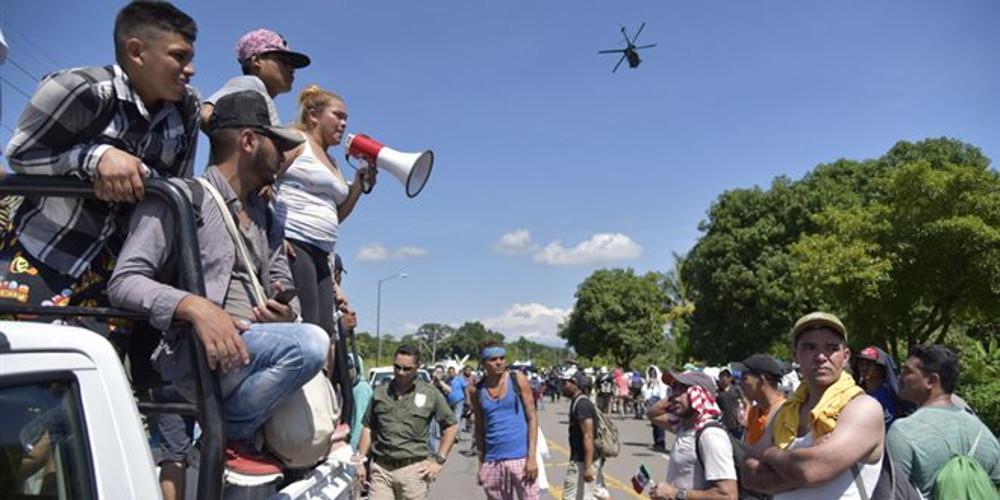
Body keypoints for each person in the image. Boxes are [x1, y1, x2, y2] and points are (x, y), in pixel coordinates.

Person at [108, 90, 329, 479]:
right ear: (248, 141)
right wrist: (195, 307)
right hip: (197, 355)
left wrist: (285, 307)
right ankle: (230, 432)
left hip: (256, 349)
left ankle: (228, 434)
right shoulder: (182, 198)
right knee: (314, 343)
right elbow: (124, 282)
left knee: (311, 343)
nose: (282, 157)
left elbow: (281, 280)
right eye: (276, 145)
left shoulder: (268, 215)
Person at [0, 1, 199, 330]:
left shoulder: (186, 109)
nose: (189, 69)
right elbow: (21, 155)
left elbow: (178, 184)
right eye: (179, 56)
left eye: (190, 58)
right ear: (136, 51)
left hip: (119, 273)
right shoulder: (78, 89)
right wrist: (95, 158)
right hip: (43, 255)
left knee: (102, 372)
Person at [741, 312, 885, 499]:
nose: (820, 357)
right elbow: (749, 475)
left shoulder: (862, 407)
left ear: (845, 356)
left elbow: (813, 469)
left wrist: (771, 454)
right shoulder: (785, 412)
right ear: (795, 355)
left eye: (831, 348)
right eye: (810, 347)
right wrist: (803, 467)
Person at [274, 85, 374, 341]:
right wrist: (273, 233)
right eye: (338, 116)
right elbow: (265, 180)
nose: (343, 123)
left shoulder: (333, 162)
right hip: (296, 242)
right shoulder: (295, 141)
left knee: (324, 330)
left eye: (346, 118)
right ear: (313, 115)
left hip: (322, 250)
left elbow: (336, 215)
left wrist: (358, 186)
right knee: (306, 325)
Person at [888, 344, 1000, 498]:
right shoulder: (983, 433)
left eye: (907, 371)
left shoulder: (903, 431)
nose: (900, 377)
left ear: (931, 381)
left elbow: (892, 493)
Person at [356, 345, 458, 500]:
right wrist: (361, 459)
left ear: (417, 367)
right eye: (397, 367)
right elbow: (369, 427)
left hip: (413, 471)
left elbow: (451, 425)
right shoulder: (380, 393)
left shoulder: (430, 393)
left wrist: (439, 460)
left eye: (407, 368)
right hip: (381, 470)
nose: (401, 372)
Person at [647, 370, 738, 500]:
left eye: (683, 388)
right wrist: (676, 397)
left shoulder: (710, 435)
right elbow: (652, 414)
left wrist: (674, 493)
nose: (675, 393)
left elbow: (728, 495)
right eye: (674, 387)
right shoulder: (683, 427)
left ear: (700, 394)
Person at [201, 28, 310, 130]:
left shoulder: (261, 98)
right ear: (256, 60)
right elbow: (205, 113)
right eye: (283, 61)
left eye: (292, 65)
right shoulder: (251, 83)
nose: (292, 69)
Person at [470, 341, 539, 500]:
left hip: (521, 459)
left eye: (502, 358)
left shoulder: (518, 380)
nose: (499, 362)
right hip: (493, 461)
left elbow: (532, 418)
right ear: (483, 363)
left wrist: (532, 457)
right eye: (493, 359)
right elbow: (480, 428)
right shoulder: (476, 391)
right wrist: (481, 464)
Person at [560, 366, 608, 500]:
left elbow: (588, 436)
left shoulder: (582, 404)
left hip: (583, 460)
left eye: (565, 382)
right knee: (598, 493)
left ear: (575, 384)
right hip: (589, 458)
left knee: (570, 496)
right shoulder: (579, 401)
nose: (562, 386)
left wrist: (587, 467)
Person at [733, 354, 786, 446]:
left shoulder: (785, 412)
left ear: (762, 380)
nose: (740, 384)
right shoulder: (753, 412)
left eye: (744, 378)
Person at [855, 346, 902, 429]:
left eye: (869, 364)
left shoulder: (886, 396)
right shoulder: (858, 393)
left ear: (880, 369)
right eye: (861, 364)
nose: (864, 368)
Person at [349, 353, 374, 450]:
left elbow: (360, 423)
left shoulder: (361, 388)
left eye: (350, 367)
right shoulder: (353, 387)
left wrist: (352, 449)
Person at [642, 365, 669, 450]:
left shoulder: (661, 382)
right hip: (651, 403)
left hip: (659, 402)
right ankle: (656, 442)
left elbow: (663, 392)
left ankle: (661, 442)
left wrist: (657, 383)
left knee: (660, 424)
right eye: (650, 373)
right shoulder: (648, 382)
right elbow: (645, 392)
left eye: (653, 373)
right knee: (654, 424)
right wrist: (649, 384)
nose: (652, 374)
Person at [716, 369, 745, 440]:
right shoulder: (718, 393)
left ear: (730, 378)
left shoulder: (736, 389)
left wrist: (744, 416)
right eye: (720, 378)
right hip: (724, 424)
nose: (722, 380)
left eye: (724, 378)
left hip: (737, 423)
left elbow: (745, 402)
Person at [446, 366, 468, 437]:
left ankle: (455, 436)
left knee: (457, 418)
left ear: (455, 372)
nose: (451, 374)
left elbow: (465, 389)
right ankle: (455, 433)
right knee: (452, 419)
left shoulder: (459, 379)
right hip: (450, 402)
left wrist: (467, 400)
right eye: (449, 372)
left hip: (459, 401)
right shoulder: (447, 380)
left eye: (452, 372)